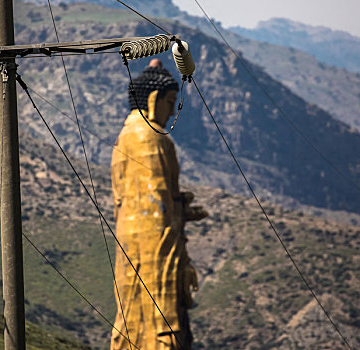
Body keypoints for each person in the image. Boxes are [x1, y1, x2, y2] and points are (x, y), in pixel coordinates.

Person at [110, 59, 207, 350]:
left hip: (129, 239)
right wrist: (177, 220)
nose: (169, 111)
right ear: (154, 100)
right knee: (159, 320)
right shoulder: (150, 138)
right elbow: (156, 206)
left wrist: (181, 208)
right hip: (153, 243)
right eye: (169, 102)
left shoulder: (125, 136)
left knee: (131, 313)